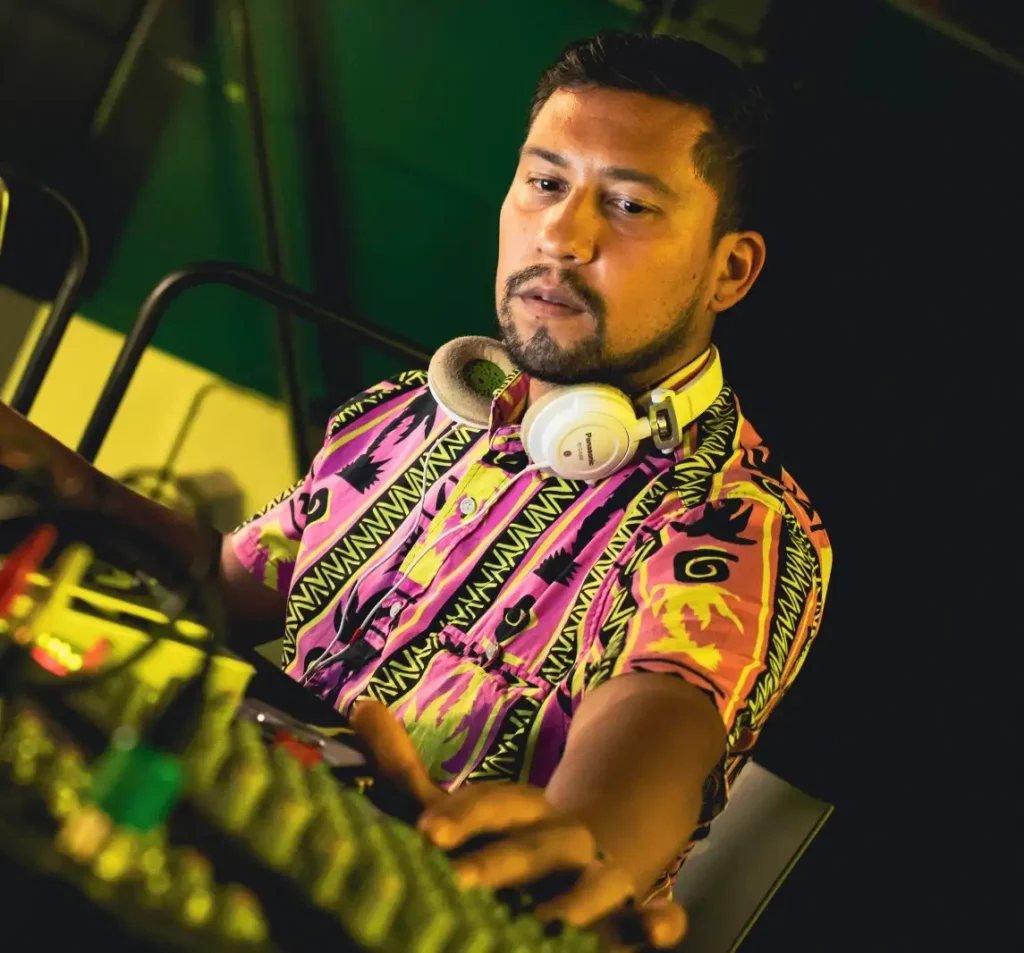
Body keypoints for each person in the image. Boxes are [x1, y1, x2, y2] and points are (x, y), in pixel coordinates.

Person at [0, 32, 831, 949]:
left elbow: (657, 724)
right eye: (544, 183)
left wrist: (583, 843)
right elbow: (225, 586)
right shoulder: (413, 411)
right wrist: (38, 467)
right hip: (220, 837)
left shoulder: (739, 523)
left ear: (729, 269)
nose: (562, 235)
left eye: (629, 204)